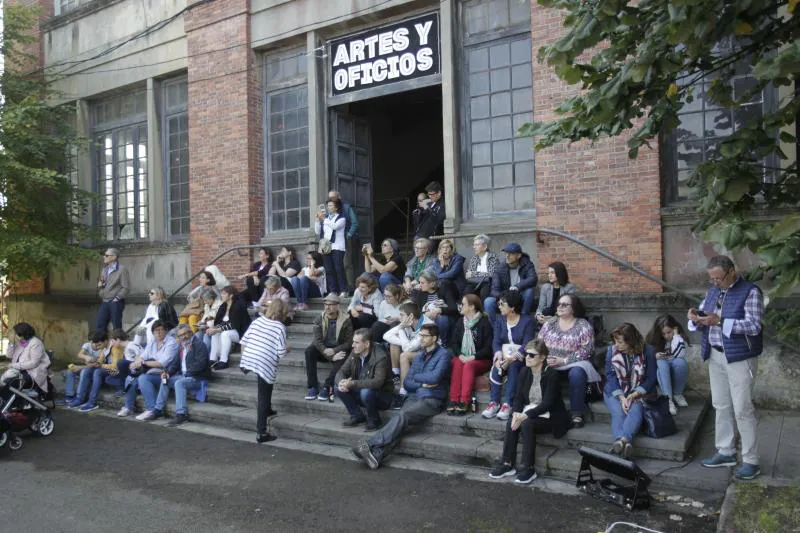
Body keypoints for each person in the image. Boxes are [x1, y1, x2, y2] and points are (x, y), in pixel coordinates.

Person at [688, 255, 763, 480]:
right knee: (720, 405)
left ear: (732, 271)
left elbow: (754, 325)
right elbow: (703, 317)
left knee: (742, 409)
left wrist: (719, 321)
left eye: (719, 278)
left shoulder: (750, 291)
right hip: (715, 355)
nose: (715, 283)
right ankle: (726, 451)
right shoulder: (713, 291)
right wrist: (695, 318)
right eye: (712, 279)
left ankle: (751, 460)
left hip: (740, 359)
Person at [351, 324, 451, 469]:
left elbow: (435, 378)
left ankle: (371, 443)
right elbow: (408, 383)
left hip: (432, 399)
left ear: (434, 338)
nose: (421, 339)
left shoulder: (444, 354)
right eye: (420, 335)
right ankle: (377, 455)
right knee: (400, 421)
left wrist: (417, 377)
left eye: (424, 336)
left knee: (402, 415)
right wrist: (422, 383)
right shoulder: (419, 357)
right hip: (414, 396)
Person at [489, 339, 569, 484]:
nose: (527, 357)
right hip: (531, 410)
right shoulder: (524, 371)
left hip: (551, 415)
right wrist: (515, 414)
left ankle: (528, 468)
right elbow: (518, 398)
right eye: (526, 354)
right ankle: (507, 464)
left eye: (532, 355)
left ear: (543, 357)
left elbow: (547, 403)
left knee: (526, 424)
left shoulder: (552, 375)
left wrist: (524, 415)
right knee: (511, 423)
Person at [536, 293, 601, 428]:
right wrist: (544, 357)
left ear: (574, 308)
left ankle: (577, 413)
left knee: (577, 373)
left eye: (565, 304)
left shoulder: (583, 325)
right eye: (559, 304)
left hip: (573, 363)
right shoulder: (550, 323)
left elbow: (588, 350)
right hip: (550, 363)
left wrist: (565, 360)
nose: (560, 307)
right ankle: (541, 407)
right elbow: (538, 344)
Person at [604, 323, 658, 459]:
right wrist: (622, 397)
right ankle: (626, 442)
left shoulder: (648, 351)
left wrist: (634, 394)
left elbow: (651, 378)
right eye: (615, 341)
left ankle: (620, 441)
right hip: (615, 391)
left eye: (620, 342)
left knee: (636, 409)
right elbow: (610, 376)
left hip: (639, 392)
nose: (616, 344)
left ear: (630, 341)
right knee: (619, 412)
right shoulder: (611, 350)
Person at [240, 299, 289, 442]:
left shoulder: (257, 321)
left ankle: (267, 409)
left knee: (265, 384)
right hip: (264, 360)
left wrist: (245, 358)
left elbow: (244, 340)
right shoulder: (280, 327)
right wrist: (288, 348)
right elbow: (280, 353)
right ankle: (261, 432)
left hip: (249, 356)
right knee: (263, 394)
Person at [482, 291, 536, 420]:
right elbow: (496, 341)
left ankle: (508, 403)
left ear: (512, 307)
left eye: (502, 304)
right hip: (504, 354)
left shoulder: (528, 321)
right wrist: (498, 355)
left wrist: (511, 359)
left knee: (513, 366)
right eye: (498, 303)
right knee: (497, 365)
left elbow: (527, 343)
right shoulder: (500, 320)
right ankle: (494, 402)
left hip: (521, 357)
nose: (499, 306)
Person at [117, 320, 180, 420]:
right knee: (130, 378)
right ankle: (128, 407)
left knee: (143, 378)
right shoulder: (152, 343)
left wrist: (144, 363)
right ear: (153, 333)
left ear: (165, 331)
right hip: (152, 371)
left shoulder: (171, 343)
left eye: (161, 330)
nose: (159, 332)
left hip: (166, 373)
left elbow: (163, 363)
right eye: (156, 331)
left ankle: (152, 409)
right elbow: (143, 356)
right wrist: (136, 362)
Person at [335, 328, 394, 430]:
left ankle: (375, 420)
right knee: (338, 388)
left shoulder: (380, 357)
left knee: (365, 392)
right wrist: (341, 382)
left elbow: (377, 382)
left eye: (356, 342)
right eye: (353, 341)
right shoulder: (355, 352)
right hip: (363, 391)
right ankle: (357, 415)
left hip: (382, 396)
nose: (353, 345)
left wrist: (353, 383)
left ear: (367, 344)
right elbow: (342, 371)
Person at [153, 324, 211, 427]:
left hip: (197, 377)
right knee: (165, 380)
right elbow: (175, 364)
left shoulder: (199, 344)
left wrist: (188, 373)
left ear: (190, 333)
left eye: (185, 334)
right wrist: (167, 372)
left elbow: (200, 364)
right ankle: (158, 410)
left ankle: (181, 414)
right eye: (180, 335)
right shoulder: (181, 346)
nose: (183, 337)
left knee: (180, 383)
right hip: (185, 375)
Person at [447, 294, 494, 415]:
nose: (460, 306)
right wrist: (460, 355)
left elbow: (488, 348)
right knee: (457, 362)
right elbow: (454, 343)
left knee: (469, 365)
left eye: (463, 304)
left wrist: (472, 357)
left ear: (472, 306)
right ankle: (453, 399)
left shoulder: (484, 323)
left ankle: (464, 400)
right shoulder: (460, 322)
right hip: (464, 357)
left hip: (481, 360)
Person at [304, 294, 354, 401]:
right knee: (309, 351)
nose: (327, 307)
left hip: (338, 349)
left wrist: (335, 350)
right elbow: (317, 341)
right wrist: (328, 353)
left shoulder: (346, 320)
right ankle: (312, 386)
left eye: (331, 305)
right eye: (325, 304)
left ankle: (327, 387)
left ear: (337, 306)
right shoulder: (319, 319)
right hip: (324, 349)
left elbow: (349, 343)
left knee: (344, 355)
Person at [383, 301, 433, 406]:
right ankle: (396, 373)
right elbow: (386, 336)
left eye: (402, 315)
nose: (399, 317)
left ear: (410, 316)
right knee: (393, 343)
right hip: (414, 349)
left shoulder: (427, 325)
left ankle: (403, 392)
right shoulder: (407, 323)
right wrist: (401, 327)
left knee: (404, 355)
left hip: (430, 354)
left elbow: (407, 348)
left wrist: (401, 329)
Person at [69, 330, 125, 412]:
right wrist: (96, 363)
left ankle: (92, 402)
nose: (98, 347)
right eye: (97, 345)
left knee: (98, 372)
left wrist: (101, 365)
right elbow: (100, 360)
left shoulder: (114, 348)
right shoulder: (105, 347)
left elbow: (116, 366)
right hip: (108, 369)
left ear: (105, 341)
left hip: (117, 372)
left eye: (99, 344)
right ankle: (80, 399)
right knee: (88, 370)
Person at [646, 314, 690, 415]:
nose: (666, 336)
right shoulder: (653, 338)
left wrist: (676, 335)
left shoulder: (679, 337)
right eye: (663, 334)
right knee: (662, 363)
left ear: (674, 328)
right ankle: (668, 399)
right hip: (660, 376)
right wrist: (655, 355)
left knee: (681, 362)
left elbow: (681, 354)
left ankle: (677, 394)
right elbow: (647, 356)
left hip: (675, 372)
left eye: (669, 332)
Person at [485, 243, 538, 323]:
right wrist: (504, 297)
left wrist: (517, 286)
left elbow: (533, 279)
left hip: (520, 296)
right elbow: (494, 290)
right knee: (488, 301)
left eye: (511, 254)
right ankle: (496, 327)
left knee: (529, 291)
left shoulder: (527, 264)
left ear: (519, 255)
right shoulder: (500, 268)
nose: (507, 256)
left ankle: (523, 320)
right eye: (506, 253)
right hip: (505, 297)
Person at [61, 330, 110, 407]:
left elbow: (97, 365)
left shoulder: (103, 348)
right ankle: (69, 396)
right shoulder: (88, 345)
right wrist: (86, 357)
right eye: (93, 343)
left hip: (93, 370)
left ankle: (80, 398)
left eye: (97, 344)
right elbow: (80, 354)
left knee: (84, 371)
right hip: (89, 367)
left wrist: (80, 367)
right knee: (70, 371)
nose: (95, 345)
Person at [411, 270, 459, 347]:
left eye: (422, 283)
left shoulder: (444, 289)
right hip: (427, 319)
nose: (420, 285)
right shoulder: (420, 293)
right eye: (419, 282)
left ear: (432, 283)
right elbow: (418, 310)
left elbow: (453, 308)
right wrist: (425, 313)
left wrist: (439, 310)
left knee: (442, 319)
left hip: (444, 319)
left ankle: (443, 343)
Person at [2, 323, 49, 399]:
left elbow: (34, 363)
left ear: (22, 334)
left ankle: (11, 402)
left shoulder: (36, 343)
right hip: (20, 370)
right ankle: (6, 401)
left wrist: (15, 365)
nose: (13, 335)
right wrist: (11, 343)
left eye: (15, 333)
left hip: (32, 372)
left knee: (10, 381)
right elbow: (9, 355)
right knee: (5, 379)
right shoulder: (20, 341)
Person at [208, 286, 251, 370]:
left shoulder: (238, 305)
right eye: (221, 293)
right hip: (231, 332)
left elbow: (234, 324)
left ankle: (224, 361)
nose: (221, 295)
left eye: (224, 294)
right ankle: (213, 359)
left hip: (241, 333)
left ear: (231, 295)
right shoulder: (223, 306)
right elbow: (220, 322)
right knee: (215, 333)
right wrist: (213, 329)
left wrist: (217, 329)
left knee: (225, 333)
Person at [328, 189, 359, 294]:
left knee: (346, 264)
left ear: (339, 197)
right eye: (330, 197)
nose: (330, 199)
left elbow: (355, 223)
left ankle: (350, 288)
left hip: (345, 239)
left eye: (333, 197)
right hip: (333, 242)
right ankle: (338, 289)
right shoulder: (329, 209)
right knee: (335, 266)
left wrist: (349, 235)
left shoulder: (346, 207)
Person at [316, 198, 348, 297]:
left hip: (337, 247)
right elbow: (318, 232)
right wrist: (317, 220)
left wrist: (324, 219)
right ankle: (333, 291)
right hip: (326, 248)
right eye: (328, 205)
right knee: (329, 270)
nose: (328, 207)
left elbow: (334, 226)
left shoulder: (341, 218)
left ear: (336, 207)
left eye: (330, 205)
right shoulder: (326, 219)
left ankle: (344, 290)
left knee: (338, 268)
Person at [96, 247, 130, 331]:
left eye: (106, 255)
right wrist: (100, 289)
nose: (104, 257)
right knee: (100, 326)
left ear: (114, 257)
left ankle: (118, 343)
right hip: (104, 301)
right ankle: (101, 343)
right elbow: (101, 283)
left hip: (115, 302)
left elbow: (126, 287)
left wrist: (117, 298)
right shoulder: (104, 270)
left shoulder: (122, 269)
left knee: (116, 327)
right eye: (104, 255)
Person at [535, 262, 576, 326]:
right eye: (549, 273)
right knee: (546, 311)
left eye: (552, 273)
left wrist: (554, 318)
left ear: (560, 273)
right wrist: (538, 315)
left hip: (562, 316)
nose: (549, 275)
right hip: (547, 316)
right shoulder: (545, 287)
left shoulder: (569, 288)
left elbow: (568, 309)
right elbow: (541, 307)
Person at [465, 234, 500, 301]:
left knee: (484, 292)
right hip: (474, 283)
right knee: (467, 292)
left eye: (477, 245)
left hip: (488, 283)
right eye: (474, 245)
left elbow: (492, 274)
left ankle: (484, 311)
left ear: (485, 246)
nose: (474, 247)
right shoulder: (474, 258)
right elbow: (468, 275)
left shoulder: (492, 257)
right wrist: (483, 274)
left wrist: (474, 274)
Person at [108, 329, 143, 397]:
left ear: (118, 339)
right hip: (131, 370)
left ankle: (124, 389)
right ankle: (129, 388)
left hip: (137, 370)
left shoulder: (131, 345)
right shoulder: (128, 347)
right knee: (109, 377)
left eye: (113, 341)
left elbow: (141, 357)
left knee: (121, 363)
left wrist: (135, 364)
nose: (112, 344)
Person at [194, 288, 222, 352]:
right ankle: (198, 355)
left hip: (217, 329)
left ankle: (207, 356)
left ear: (211, 298)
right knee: (197, 335)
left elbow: (218, 321)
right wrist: (201, 323)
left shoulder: (220, 305)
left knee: (206, 336)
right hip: (207, 328)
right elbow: (205, 317)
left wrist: (206, 326)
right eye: (204, 300)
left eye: (206, 300)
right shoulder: (207, 305)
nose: (204, 302)